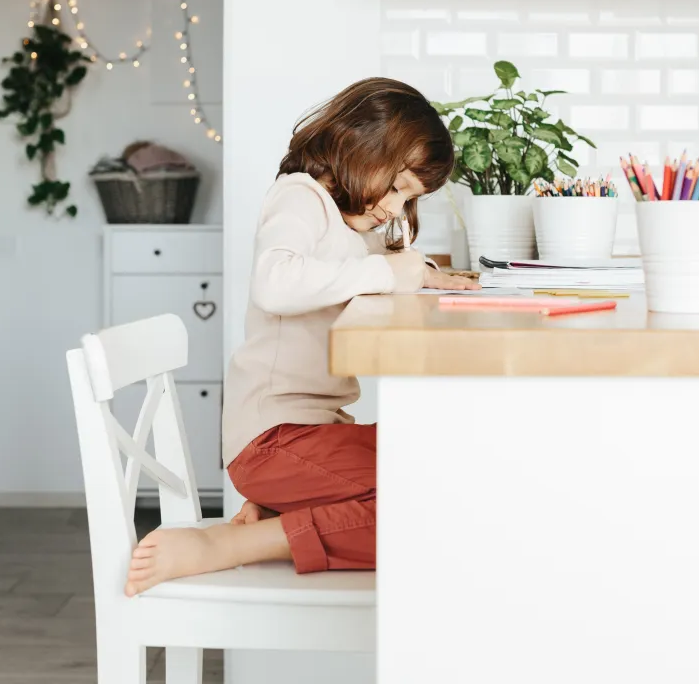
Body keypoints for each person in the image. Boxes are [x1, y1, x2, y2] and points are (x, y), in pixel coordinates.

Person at [125, 78, 479, 595]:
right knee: (428, 510)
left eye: (410, 200)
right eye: (400, 187)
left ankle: (276, 515)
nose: (396, 209)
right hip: (272, 440)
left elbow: (355, 271)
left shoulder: (345, 227)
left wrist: (413, 270)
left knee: (451, 469)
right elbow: (277, 281)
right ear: (363, 143)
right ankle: (229, 545)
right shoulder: (300, 196)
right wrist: (395, 273)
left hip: (312, 433)